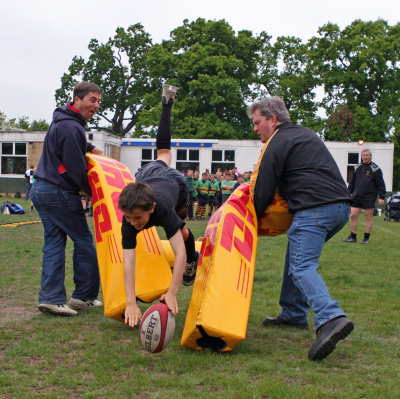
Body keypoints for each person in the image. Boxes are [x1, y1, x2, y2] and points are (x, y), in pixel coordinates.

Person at [248, 96, 353, 361]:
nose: (255, 128)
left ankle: (330, 317)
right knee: (295, 256)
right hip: (340, 209)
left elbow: (262, 188)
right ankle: (294, 313)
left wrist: (250, 221)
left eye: (258, 122)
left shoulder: (277, 142)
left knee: (301, 265)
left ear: (273, 120)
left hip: (315, 208)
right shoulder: (306, 135)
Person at [118, 85, 199, 328]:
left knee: (183, 236)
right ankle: (166, 103)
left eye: (137, 218)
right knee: (163, 152)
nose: (133, 223)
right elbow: (129, 263)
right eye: (129, 218)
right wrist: (131, 302)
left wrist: (172, 292)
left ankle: (196, 259)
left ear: (151, 209)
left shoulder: (163, 209)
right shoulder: (130, 219)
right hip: (148, 176)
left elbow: (179, 253)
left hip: (175, 186)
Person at [31, 81, 103, 317]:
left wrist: (90, 146)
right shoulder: (72, 128)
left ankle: (51, 298)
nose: (96, 106)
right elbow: (75, 169)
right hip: (58, 192)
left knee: (54, 243)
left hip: (41, 190)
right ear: (78, 99)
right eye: (92, 100)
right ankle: (84, 296)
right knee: (84, 242)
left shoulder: (62, 121)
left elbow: (68, 144)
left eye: (99, 102)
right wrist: (96, 194)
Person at [342, 149, 386, 244]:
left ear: (370, 156)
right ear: (361, 157)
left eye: (367, 155)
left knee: (368, 215)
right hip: (357, 195)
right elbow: (352, 181)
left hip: (369, 196)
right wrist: (348, 193)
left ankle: (366, 238)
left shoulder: (375, 169)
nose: (365, 157)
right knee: (353, 215)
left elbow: (380, 183)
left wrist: (382, 197)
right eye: (363, 155)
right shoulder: (357, 167)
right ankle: (353, 236)